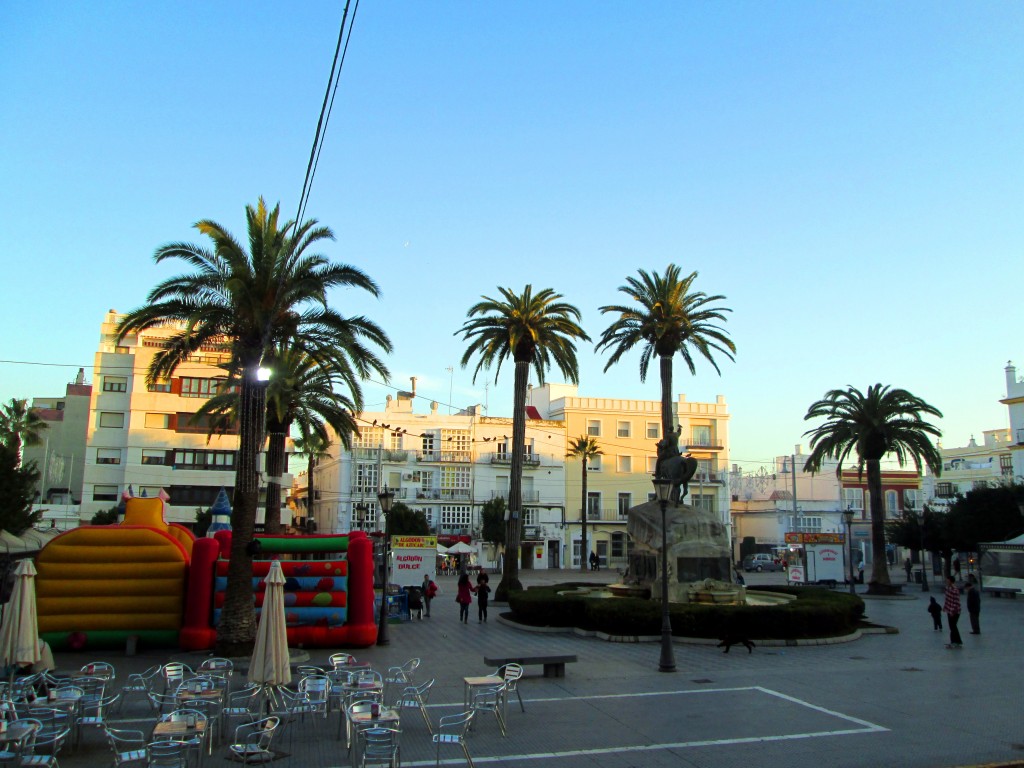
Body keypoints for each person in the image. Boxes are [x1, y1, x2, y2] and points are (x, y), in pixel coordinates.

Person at [943, 574, 963, 649]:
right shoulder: (948, 588)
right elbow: (947, 599)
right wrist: (945, 607)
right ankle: (957, 641)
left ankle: (954, 642)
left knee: (953, 626)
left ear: (951, 581)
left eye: (947, 580)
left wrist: (952, 611)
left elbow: (955, 602)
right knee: (952, 626)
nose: (946, 581)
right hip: (949, 610)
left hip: (954, 611)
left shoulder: (954, 590)